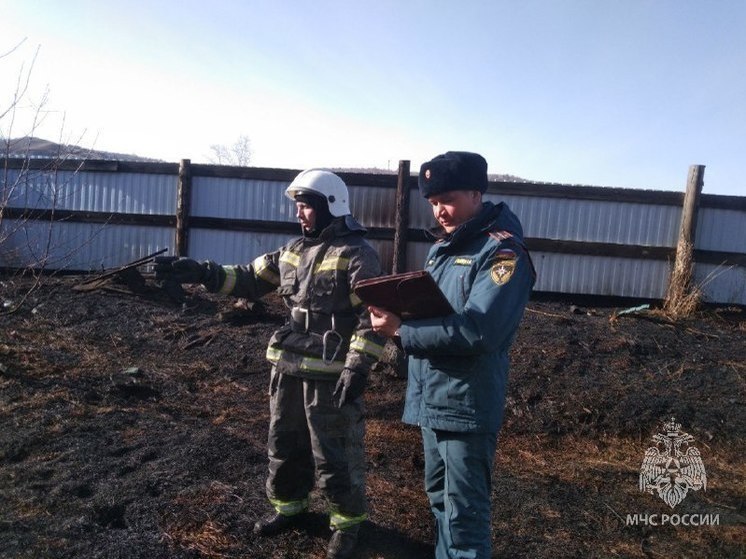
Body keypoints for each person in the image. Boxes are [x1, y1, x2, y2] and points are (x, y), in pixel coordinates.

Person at [155, 169, 386, 559]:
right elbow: (247, 278)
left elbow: (373, 316)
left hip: (330, 375)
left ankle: (346, 524)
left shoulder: (357, 254)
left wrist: (358, 365)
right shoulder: (292, 251)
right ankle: (290, 509)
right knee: (284, 443)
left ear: (332, 206)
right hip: (288, 365)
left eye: (307, 205)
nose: (300, 213)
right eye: (298, 205)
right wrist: (201, 272)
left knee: (335, 452)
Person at [369, 151, 535, 559]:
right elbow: (438, 312)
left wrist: (402, 330)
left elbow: (479, 330)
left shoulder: (502, 255)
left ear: (477, 194)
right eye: (432, 202)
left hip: (466, 404)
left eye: (447, 199)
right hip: (433, 400)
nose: (439, 210)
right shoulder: (445, 248)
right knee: (440, 502)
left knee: (464, 517)